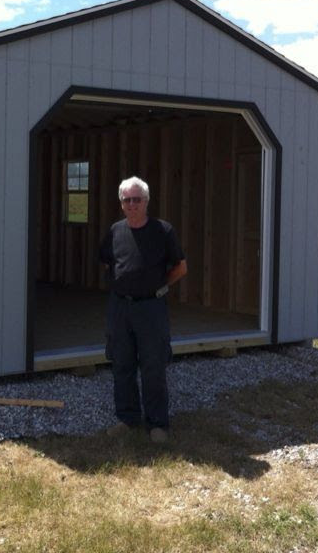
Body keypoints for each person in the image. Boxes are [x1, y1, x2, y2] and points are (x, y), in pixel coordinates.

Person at [99, 176, 187, 443]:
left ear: (146, 202)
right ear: (121, 204)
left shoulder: (163, 231)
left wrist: (158, 286)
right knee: (122, 364)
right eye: (127, 200)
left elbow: (180, 268)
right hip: (120, 308)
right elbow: (106, 263)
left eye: (137, 199)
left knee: (153, 365)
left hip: (151, 308)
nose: (132, 204)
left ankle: (157, 424)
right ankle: (127, 418)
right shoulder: (115, 231)